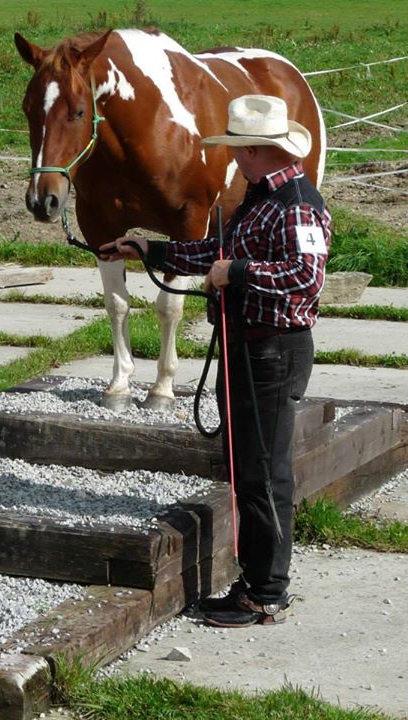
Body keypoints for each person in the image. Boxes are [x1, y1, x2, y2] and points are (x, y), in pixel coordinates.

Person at [99, 95, 331, 628]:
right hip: (248, 346)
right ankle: (257, 584)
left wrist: (240, 275)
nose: (233, 159)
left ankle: (265, 593)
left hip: (271, 349)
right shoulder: (258, 199)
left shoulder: (296, 203)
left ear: (258, 150)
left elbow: (305, 277)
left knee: (264, 475)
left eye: (238, 150)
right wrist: (149, 251)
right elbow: (213, 253)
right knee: (248, 469)